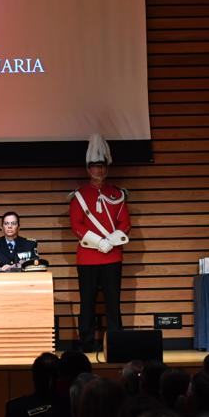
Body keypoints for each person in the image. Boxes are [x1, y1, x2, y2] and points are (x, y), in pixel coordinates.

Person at [69, 134, 131, 351]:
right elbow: (76, 225)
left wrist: (110, 242)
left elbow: (125, 224)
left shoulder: (118, 194)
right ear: (88, 169)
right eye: (95, 166)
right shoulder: (79, 196)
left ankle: (115, 343)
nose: (99, 171)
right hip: (87, 257)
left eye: (102, 166)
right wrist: (98, 242)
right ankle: (86, 343)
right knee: (87, 303)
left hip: (112, 255)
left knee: (113, 303)